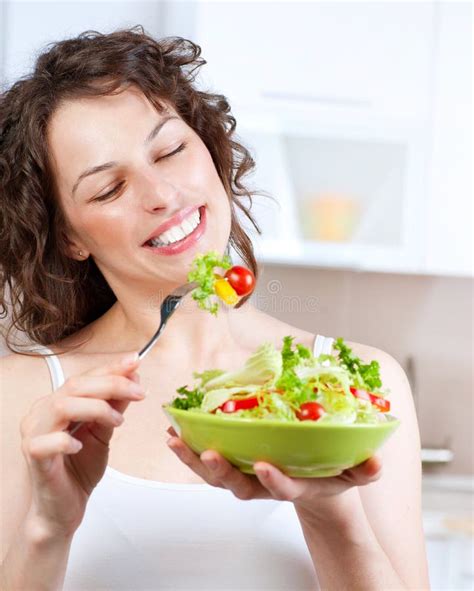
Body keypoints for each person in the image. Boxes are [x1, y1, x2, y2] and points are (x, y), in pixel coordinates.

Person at [0, 26, 430, 590]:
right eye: (109, 189)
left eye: (171, 150)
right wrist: (48, 531)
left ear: (208, 148)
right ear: (69, 237)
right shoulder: (28, 398)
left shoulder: (356, 390)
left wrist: (331, 512)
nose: (161, 194)